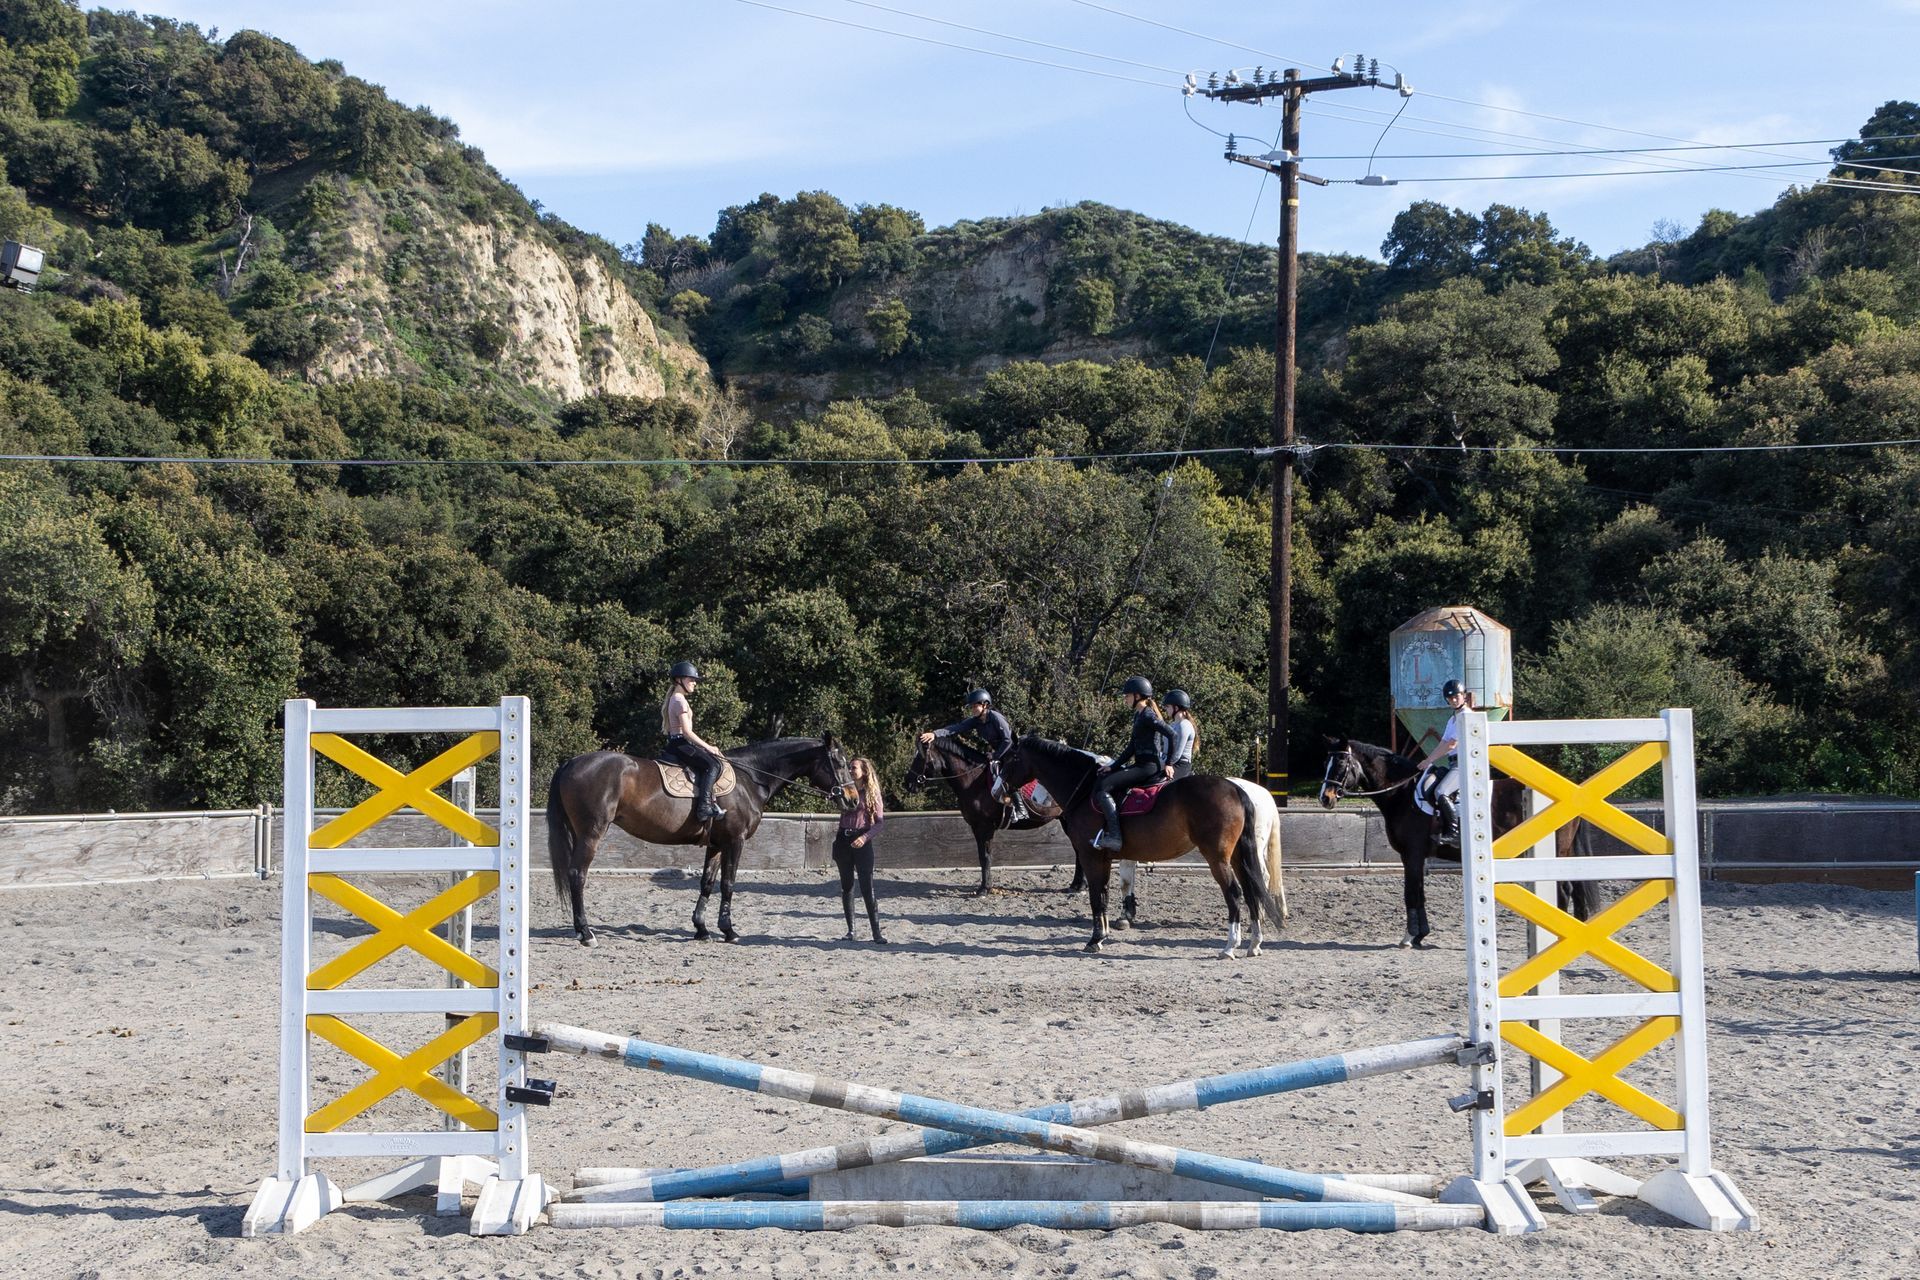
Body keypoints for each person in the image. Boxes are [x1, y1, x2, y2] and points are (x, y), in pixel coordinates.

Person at [1091, 676, 1178, 852]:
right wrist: (1113, 766)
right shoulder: (1138, 715)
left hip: (1148, 767)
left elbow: (1172, 734)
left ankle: (1115, 837)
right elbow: (1131, 747)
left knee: (1103, 787)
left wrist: (1169, 763)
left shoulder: (1147, 715)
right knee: (1107, 777)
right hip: (1140, 764)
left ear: (1138, 696)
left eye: (1127, 696)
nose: (1125, 699)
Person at [917, 688, 1029, 820]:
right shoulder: (976, 721)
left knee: (1006, 774)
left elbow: (1007, 740)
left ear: (985, 705)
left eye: (975, 706)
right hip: (999, 753)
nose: (972, 709)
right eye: (971, 707)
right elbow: (955, 728)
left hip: (1013, 751)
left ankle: (1021, 810)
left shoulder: (996, 718)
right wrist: (934, 734)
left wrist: (995, 756)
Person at [658, 660, 727, 821]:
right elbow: (687, 732)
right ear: (679, 680)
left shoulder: (675, 699)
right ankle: (704, 808)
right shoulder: (679, 700)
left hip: (678, 743)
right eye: (691, 679)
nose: (694, 683)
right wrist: (708, 747)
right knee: (713, 765)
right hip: (681, 744)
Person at [833, 756, 887, 944]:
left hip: (862, 841)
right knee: (847, 886)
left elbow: (880, 824)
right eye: (850, 767)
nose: (850, 770)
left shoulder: (872, 793)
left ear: (864, 771)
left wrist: (864, 838)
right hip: (843, 840)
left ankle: (876, 933)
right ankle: (851, 930)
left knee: (867, 887)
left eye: (854, 767)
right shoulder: (846, 790)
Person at [1417, 679, 1472, 843]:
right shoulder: (1452, 719)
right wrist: (1428, 760)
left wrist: (1429, 761)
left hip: (1464, 762)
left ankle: (1454, 833)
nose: (1454, 700)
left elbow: (1452, 744)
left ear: (1463, 696)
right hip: (1453, 763)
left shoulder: (1466, 715)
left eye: (1456, 696)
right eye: (1450, 698)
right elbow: (1443, 743)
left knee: (1441, 791)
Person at [1164, 689, 1198, 780]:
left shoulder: (1184, 725)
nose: (1165, 709)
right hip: (1169, 762)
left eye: (1167, 706)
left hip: (1180, 765)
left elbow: (1176, 755)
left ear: (1176, 708)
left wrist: (1165, 763)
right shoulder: (1172, 725)